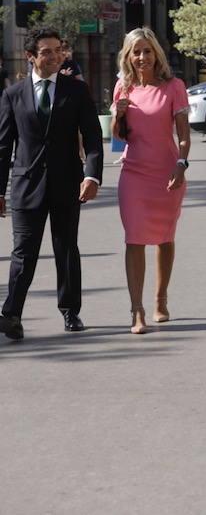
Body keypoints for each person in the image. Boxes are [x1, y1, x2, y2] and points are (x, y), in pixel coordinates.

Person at [0, 28, 103, 341]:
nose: (56, 56)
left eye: (59, 50)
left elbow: (94, 137)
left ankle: (70, 311)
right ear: (31, 56)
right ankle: (12, 315)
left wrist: (92, 175)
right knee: (23, 253)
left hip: (67, 183)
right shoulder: (13, 95)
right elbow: (3, 148)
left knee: (66, 249)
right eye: (47, 52)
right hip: (26, 187)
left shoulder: (76, 90)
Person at [112, 27, 191, 335]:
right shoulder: (123, 87)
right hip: (133, 173)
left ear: (156, 54)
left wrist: (181, 165)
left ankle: (160, 298)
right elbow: (118, 138)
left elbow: (183, 137)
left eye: (147, 51)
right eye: (136, 52)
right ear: (128, 57)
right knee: (134, 238)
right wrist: (118, 115)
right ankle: (137, 310)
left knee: (164, 237)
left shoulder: (174, 86)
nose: (142, 57)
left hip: (167, 172)